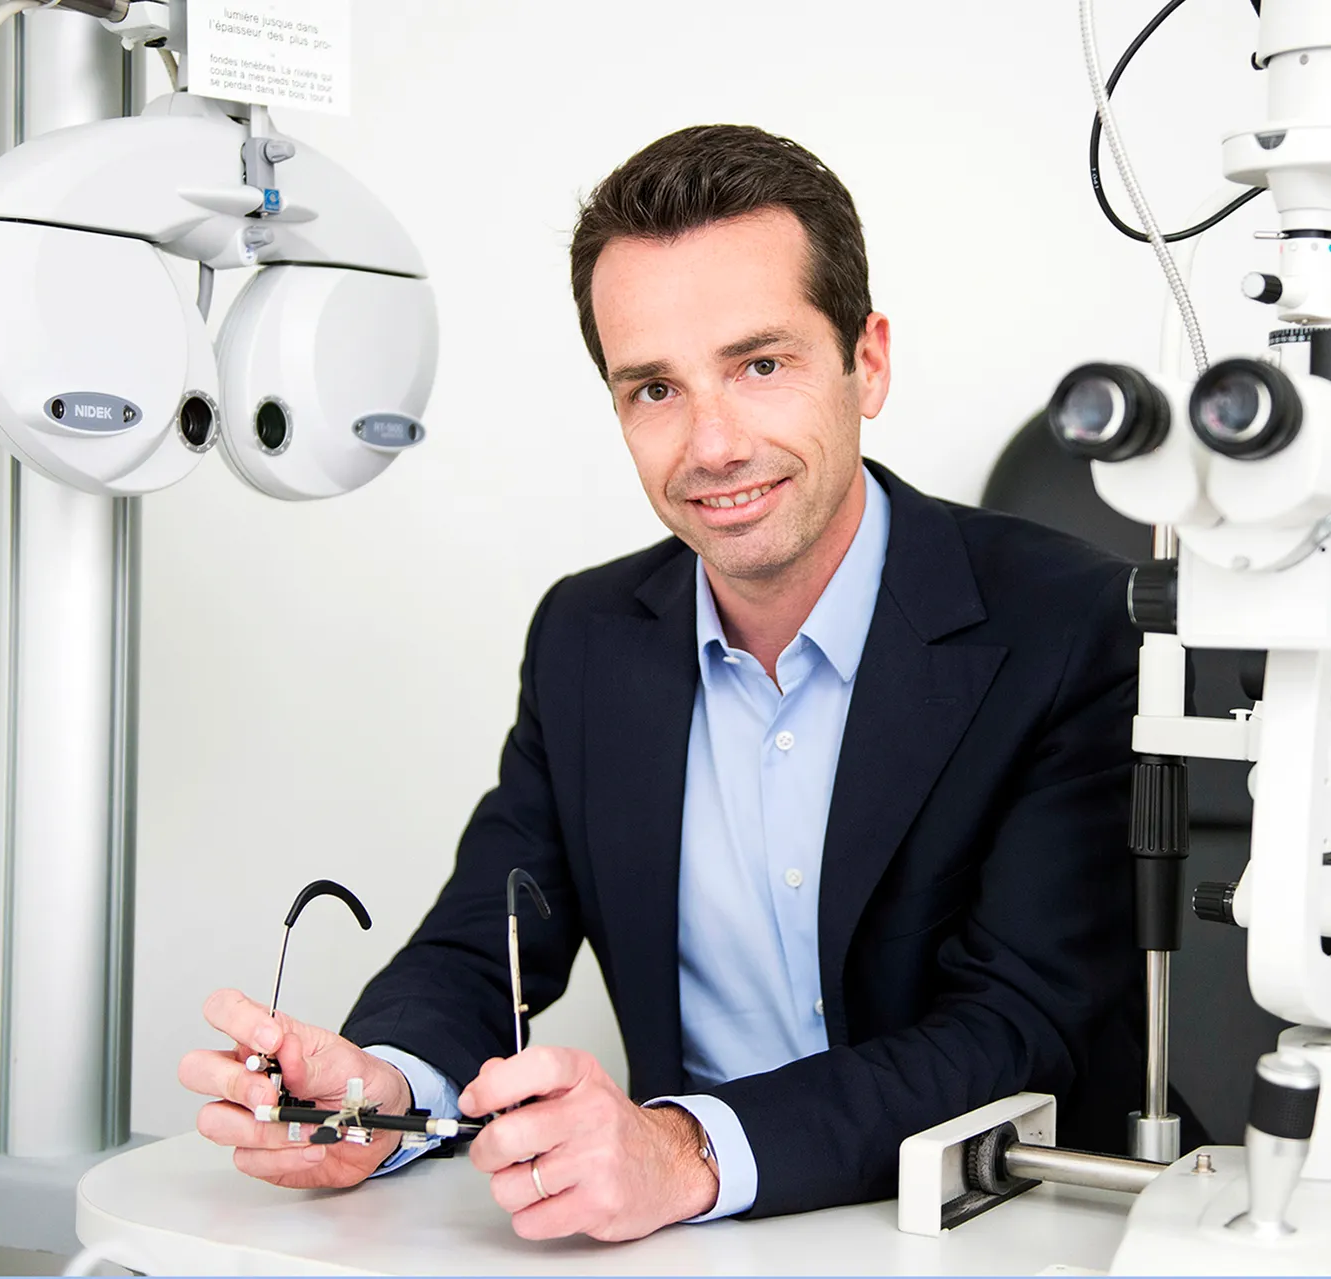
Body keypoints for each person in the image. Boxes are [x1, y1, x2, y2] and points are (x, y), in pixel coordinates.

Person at [180, 123, 1152, 1242]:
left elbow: (1021, 1030)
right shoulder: (589, 637)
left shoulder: (1068, 624)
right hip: (699, 1254)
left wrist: (683, 1149)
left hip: (996, 1238)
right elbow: (483, 940)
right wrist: (377, 1092)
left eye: (761, 364)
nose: (714, 443)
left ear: (867, 360)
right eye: (654, 388)